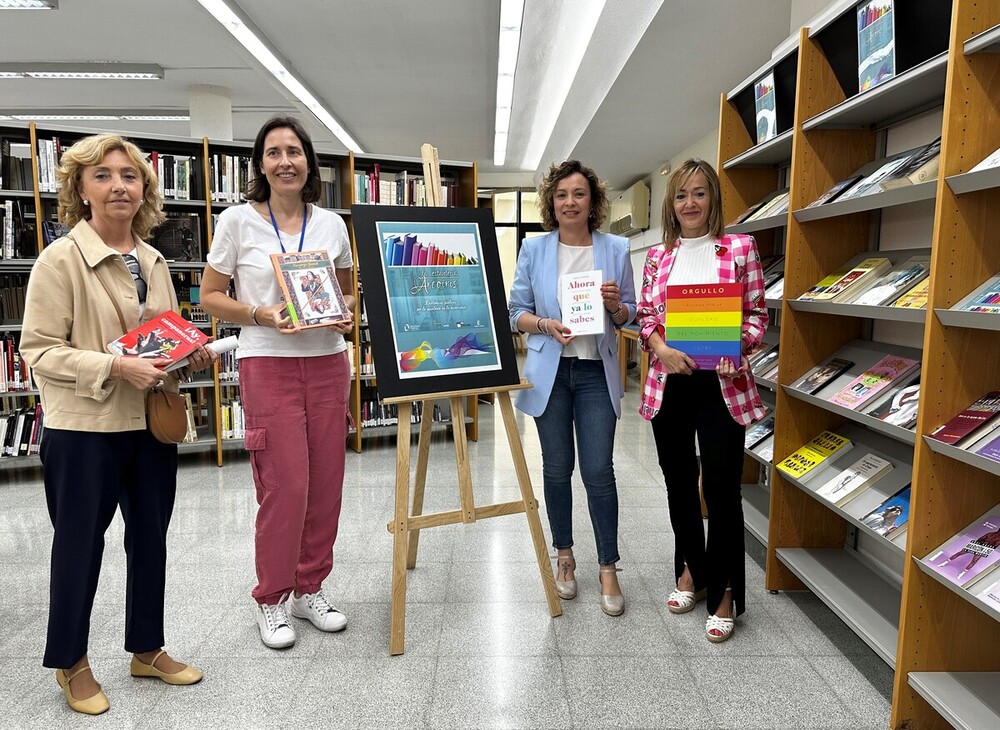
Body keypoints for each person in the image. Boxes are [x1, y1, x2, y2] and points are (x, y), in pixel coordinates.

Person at [20, 134, 216, 715]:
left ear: (145, 189)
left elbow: (159, 337)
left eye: (130, 176)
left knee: (149, 538)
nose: (118, 186)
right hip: (84, 429)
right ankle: (70, 662)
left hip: (148, 424)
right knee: (80, 543)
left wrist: (188, 352)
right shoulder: (59, 261)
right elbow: (39, 351)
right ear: (80, 189)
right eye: (102, 175)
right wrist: (114, 365)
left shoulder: (152, 260)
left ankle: (146, 648)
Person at [200, 115, 355, 649]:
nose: (284, 161)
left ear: (309, 161)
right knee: (284, 486)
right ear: (260, 165)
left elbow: (349, 293)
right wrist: (261, 315)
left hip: (328, 361)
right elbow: (210, 297)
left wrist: (344, 313)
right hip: (268, 362)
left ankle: (311, 587)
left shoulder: (332, 224)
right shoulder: (237, 222)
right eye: (273, 152)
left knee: (326, 484)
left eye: (294, 151)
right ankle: (272, 597)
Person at [637, 158, 768, 643]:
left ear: (712, 198)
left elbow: (757, 315)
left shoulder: (740, 248)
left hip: (722, 384)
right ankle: (691, 570)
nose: (689, 204)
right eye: (680, 196)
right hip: (669, 381)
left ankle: (726, 592)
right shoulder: (657, 257)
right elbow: (647, 317)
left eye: (698, 193)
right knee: (677, 482)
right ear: (671, 205)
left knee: (721, 488)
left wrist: (738, 348)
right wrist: (660, 348)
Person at [508, 160, 636, 616]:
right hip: (551, 373)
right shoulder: (534, 249)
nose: (569, 202)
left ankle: (607, 565)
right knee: (557, 468)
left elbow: (631, 316)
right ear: (551, 201)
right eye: (561, 194)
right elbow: (515, 312)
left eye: (578, 194)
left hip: (595, 374)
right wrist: (543, 323)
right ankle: (564, 556)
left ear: (592, 201)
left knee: (599, 470)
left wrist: (616, 307)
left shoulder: (616, 248)